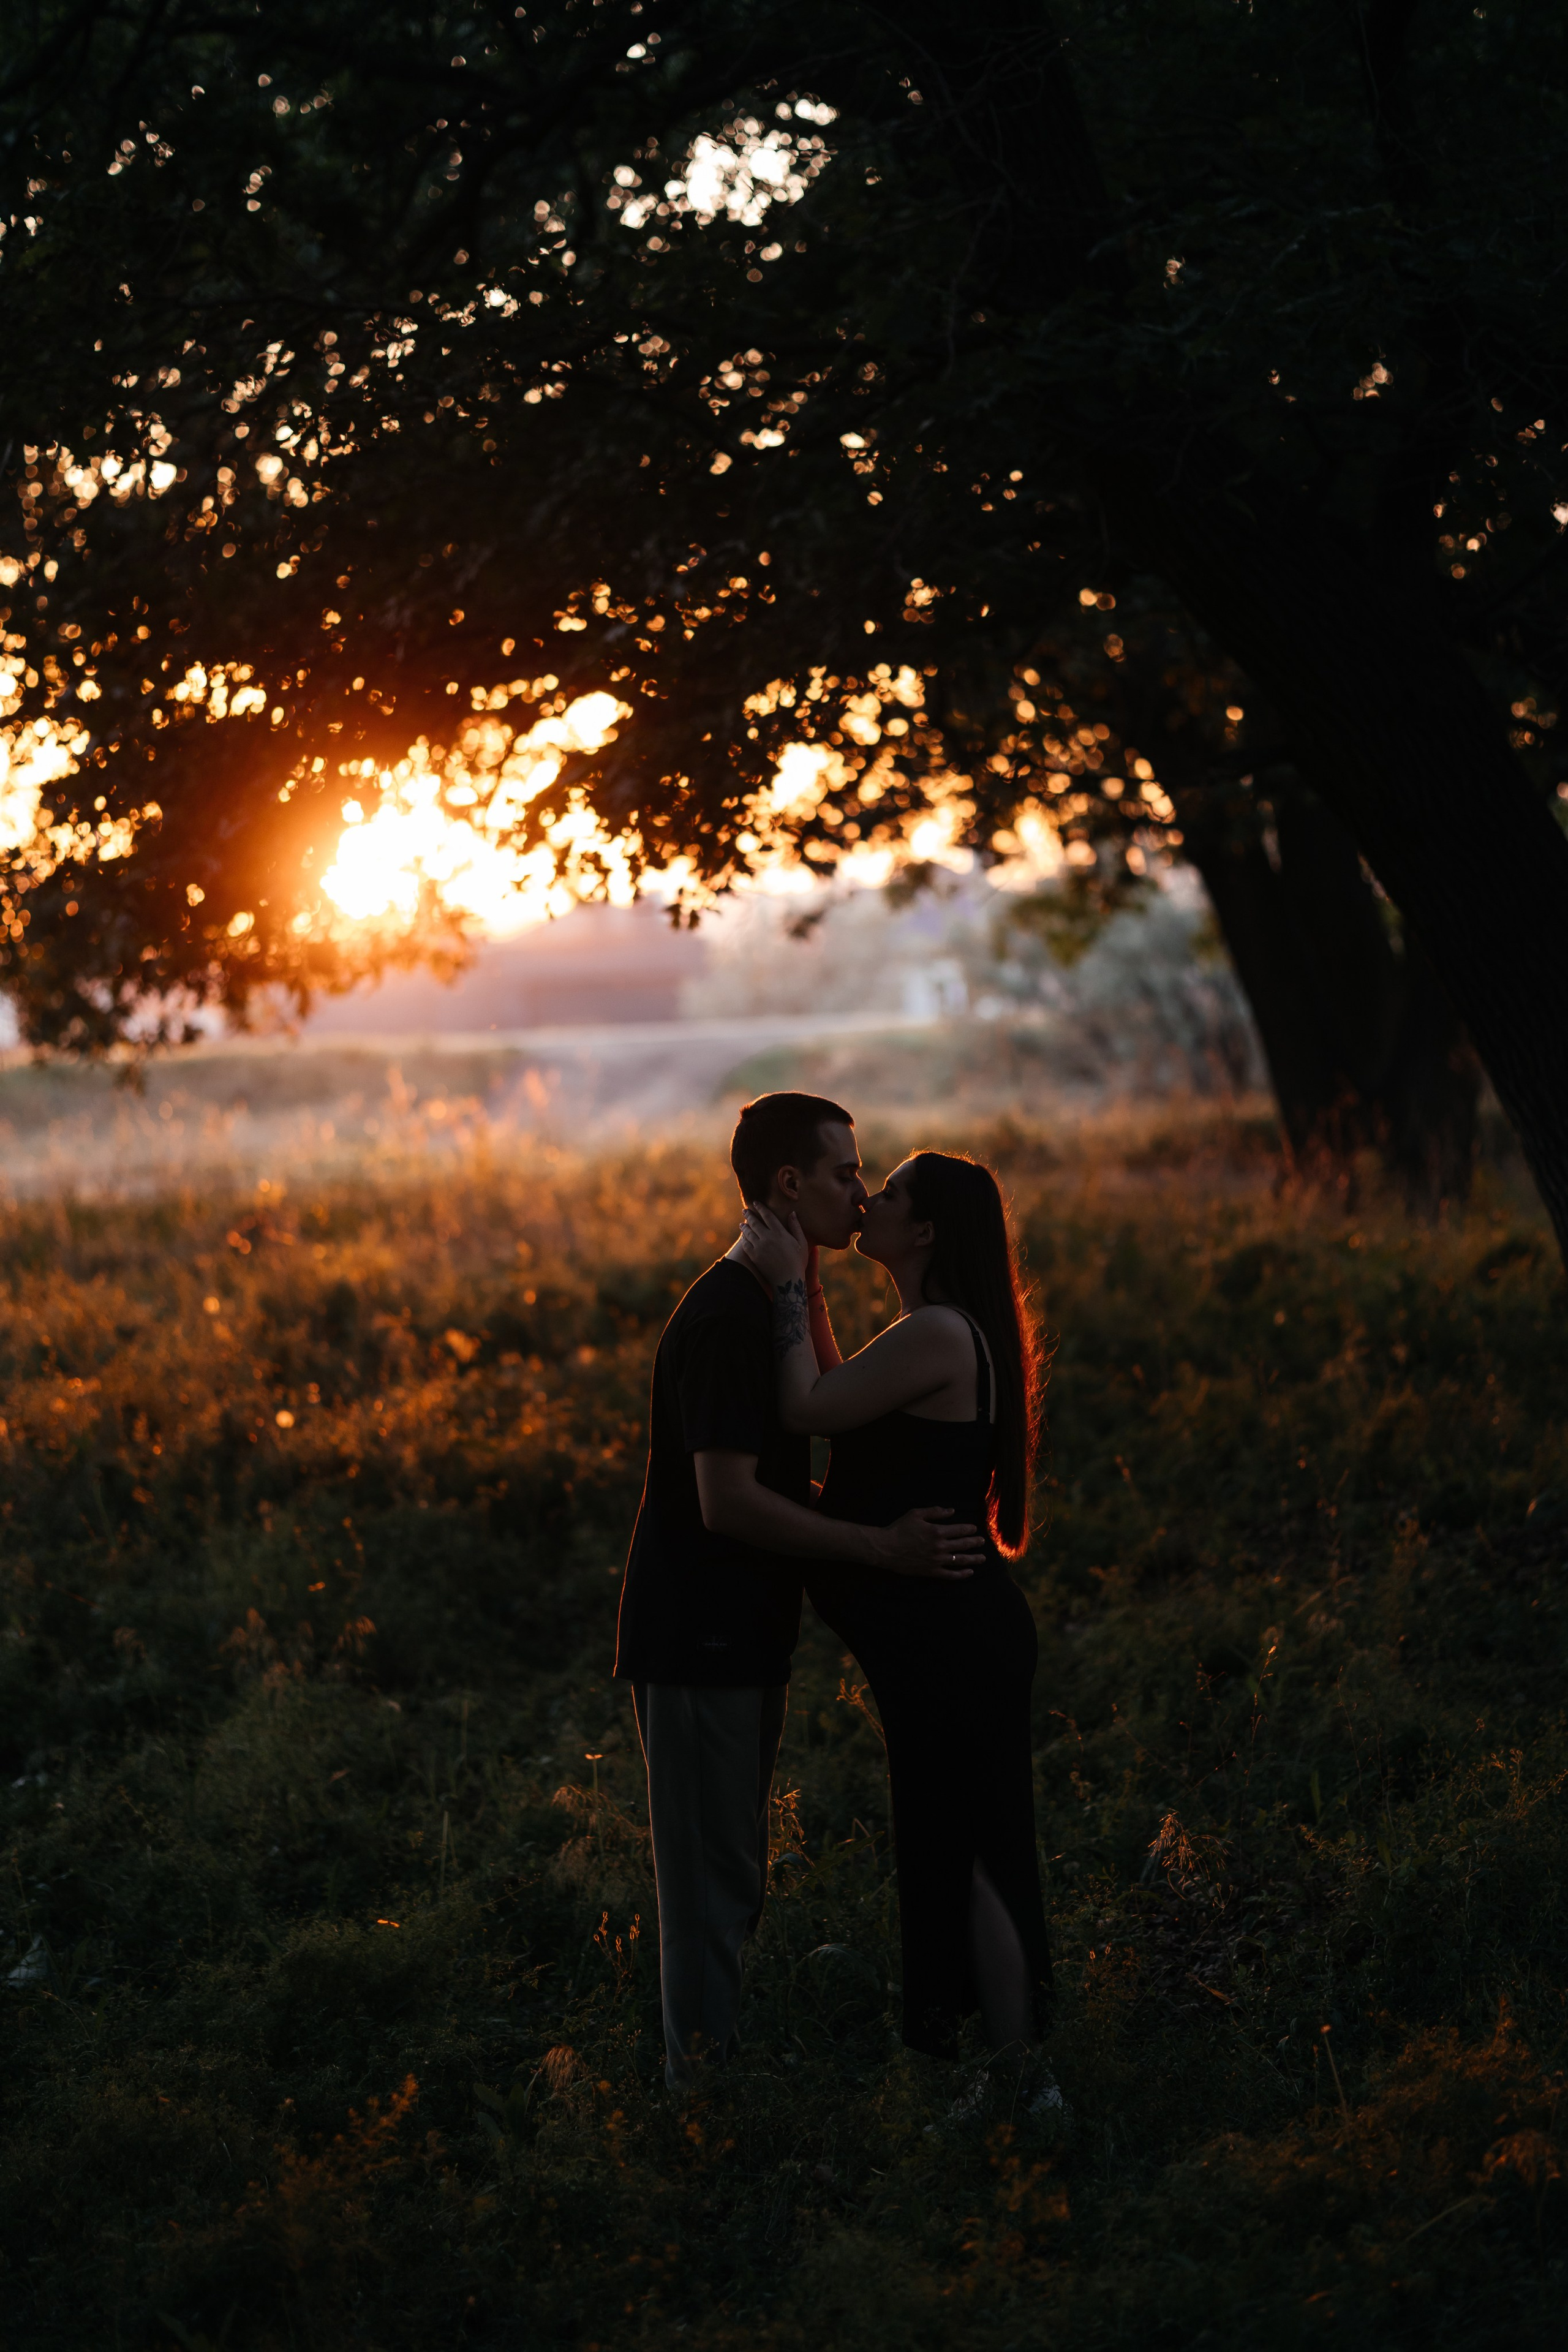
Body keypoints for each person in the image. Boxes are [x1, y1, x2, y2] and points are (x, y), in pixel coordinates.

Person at [614, 1095, 988, 2093]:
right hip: (699, 1637)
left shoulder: (761, 1304)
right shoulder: (732, 1314)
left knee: (730, 1872)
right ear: (790, 1185)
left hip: (739, 1632)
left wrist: (807, 1289)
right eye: (846, 1174)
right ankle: (701, 2106)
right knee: (708, 1885)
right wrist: (878, 1546)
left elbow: (797, 1447)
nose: (861, 1195)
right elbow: (730, 1502)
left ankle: (711, 2084)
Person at [736, 1149, 1055, 2105]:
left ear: (924, 1232)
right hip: (952, 1636)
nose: (869, 1196)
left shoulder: (942, 1334)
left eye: (894, 1191)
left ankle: (1027, 2083)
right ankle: (999, 2070)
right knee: (953, 1842)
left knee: (970, 1851)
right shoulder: (933, 1332)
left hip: (957, 1639)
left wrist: (786, 1288)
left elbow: (804, 1406)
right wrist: (819, 1295)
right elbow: (848, 1414)